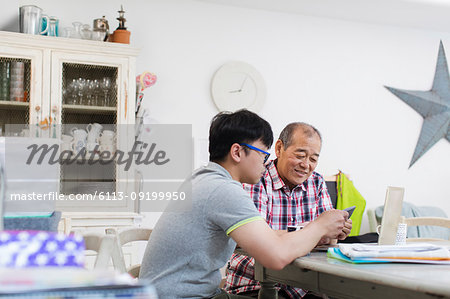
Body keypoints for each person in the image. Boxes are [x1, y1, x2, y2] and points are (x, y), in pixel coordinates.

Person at [139, 111, 349, 299]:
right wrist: (320, 225)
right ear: (237, 152)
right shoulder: (224, 191)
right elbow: (276, 257)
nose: (265, 162)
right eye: (263, 154)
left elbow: (265, 235)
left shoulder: (205, 180)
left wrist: (320, 230)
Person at [224, 122, 353, 298]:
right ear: (279, 148)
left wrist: (336, 231)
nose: (306, 165)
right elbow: (261, 240)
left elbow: (326, 238)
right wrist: (315, 230)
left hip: (300, 287)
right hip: (254, 284)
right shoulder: (256, 178)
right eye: (300, 155)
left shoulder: (316, 182)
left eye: (313, 159)